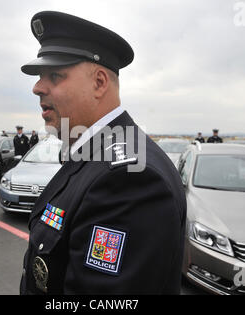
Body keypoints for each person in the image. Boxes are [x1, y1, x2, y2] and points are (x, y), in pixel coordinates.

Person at [19, 11, 186, 295]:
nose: (37, 87)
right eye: (39, 76)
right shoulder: (94, 153)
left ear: (99, 83)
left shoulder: (129, 178)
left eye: (55, 75)